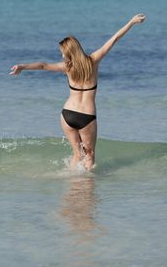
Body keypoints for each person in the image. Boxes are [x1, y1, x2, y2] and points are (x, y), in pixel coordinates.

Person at [10, 13, 146, 171]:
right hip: (86, 117)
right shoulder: (93, 60)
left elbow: (43, 65)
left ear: (69, 53)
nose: (62, 55)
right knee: (89, 156)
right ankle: (86, 191)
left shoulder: (67, 67)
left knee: (77, 155)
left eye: (63, 53)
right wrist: (131, 22)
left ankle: (72, 186)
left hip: (67, 114)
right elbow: (114, 39)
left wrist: (22, 67)